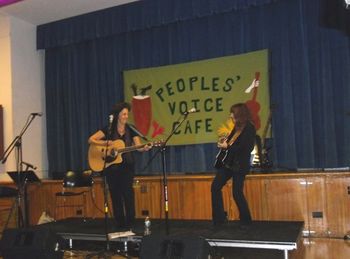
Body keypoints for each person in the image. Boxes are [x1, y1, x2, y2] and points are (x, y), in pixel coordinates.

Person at [88, 102, 151, 227]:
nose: (126, 116)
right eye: (124, 114)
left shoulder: (131, 129)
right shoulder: (108, 129)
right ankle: (120, 222)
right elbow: (91, 139)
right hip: (111, 167)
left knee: (128, 194)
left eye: (127, 114)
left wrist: (144, 148)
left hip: (127, 166)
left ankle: (130, 222)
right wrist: (107, 143)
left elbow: (138, 147)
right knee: (115, 195)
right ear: (117, 116)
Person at [211, 103, 256, 226]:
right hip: (228, 163)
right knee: (215, 187)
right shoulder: (237, 127)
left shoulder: (249, 128)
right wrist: (223, 143)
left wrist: (228, 146)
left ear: (239, 113)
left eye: (232, 112)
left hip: (239, 165)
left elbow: (246, 148)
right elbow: (230, 143)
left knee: (237, 192)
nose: (230, 115)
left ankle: (246, 221)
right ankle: (219, 219)